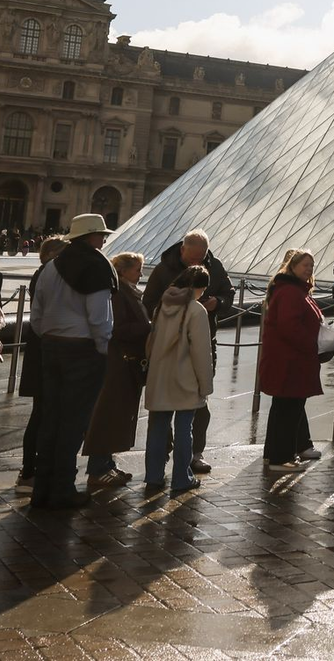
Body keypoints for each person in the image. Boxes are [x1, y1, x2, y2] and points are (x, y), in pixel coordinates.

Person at [28, 214, 115, 509]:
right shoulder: (97, 265)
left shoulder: (50, 267)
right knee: (74, 422)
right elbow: (99, 319)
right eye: (101, 235)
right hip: (83, 350)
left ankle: (42, 488)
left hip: (51, 347)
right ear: (89, 237)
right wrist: (102, 350)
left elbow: (36, 315)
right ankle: (64, 488)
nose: (104, 240)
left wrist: (50, 338)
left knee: (50, 419)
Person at [143, 229, 234, 476]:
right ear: (182, 250)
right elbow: (148, 304)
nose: (198, 263)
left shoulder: (213, 266)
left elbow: (229, 294)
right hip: (169, 349)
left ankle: (195, 454)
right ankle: (166, 459)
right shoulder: (163, 270)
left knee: (195, 410)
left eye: (201, 258)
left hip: (195, 342)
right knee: (173, 412)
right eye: (193, 258)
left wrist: (218, 303)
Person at [82, 251, 152, 490]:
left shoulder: (126, 290)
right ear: (123, 271)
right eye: (137, 269)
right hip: (118, 362)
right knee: (108, 415)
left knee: (117, 415)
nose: (141, 274)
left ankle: (107, 464)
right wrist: (146, 328)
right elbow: (118, 328)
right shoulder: (119, 293)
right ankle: (97, 469)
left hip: (125, 361)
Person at [143, 265, 214, 495]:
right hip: (185, 378)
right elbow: (201, 352)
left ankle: (153, 476)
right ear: (199, 288)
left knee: (157, 428)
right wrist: (206, 384)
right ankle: (182, 478)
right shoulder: (196, 310)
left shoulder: (162, 306)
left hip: (160, 375)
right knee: (185, 429)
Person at [259, 249, 325, 472]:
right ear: (292, 266)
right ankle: (281, 458)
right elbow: (290, 327)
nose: (309, 269)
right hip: (291, 361)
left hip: (288, 360)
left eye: (311, 266)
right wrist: (314, 344)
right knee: (288, 410)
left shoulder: (291, 289)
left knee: (283, 409)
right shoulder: (291, 292)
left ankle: (274, 455)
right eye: (305, 265)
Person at [15, 236, 67, 491]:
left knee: (42, 413)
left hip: (41, 352)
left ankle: (31, 471)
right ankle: (29, 472)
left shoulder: (43, 273)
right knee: (43, 414)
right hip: (45, 352)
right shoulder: (49, 274)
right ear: (55, 255)